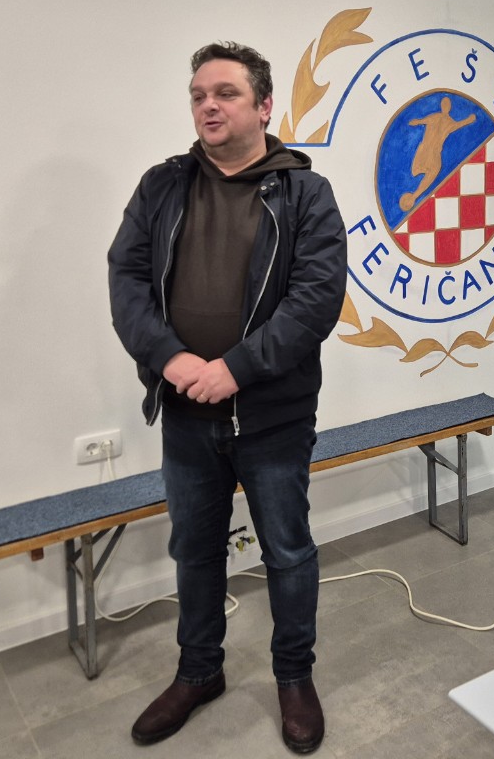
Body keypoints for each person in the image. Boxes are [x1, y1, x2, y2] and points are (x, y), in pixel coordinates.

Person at [108, 41, 346, 752]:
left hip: (272, 415)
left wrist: (237, 369)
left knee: (287, 552)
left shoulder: (305, 195)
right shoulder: (163, 186)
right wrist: (171, 358)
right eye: (198, 95)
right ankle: (199, 672)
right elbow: (126, 279)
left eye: (225, 93)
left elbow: (315, 300)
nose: (207, 106)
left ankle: (294, 677)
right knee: (195, 550)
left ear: (265, 106)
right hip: (186, 413)